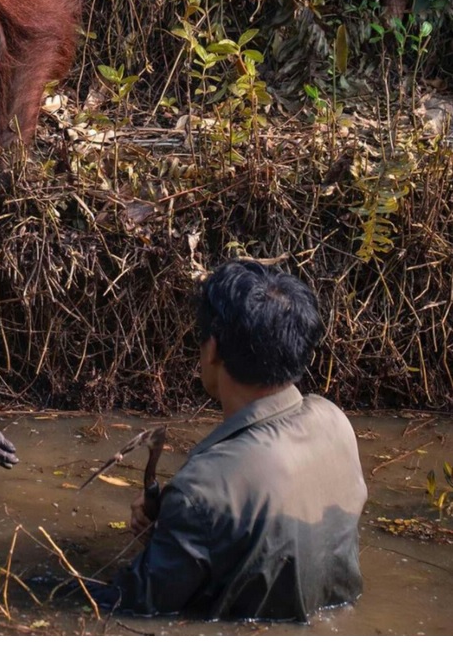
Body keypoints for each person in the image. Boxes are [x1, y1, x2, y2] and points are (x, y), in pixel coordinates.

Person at [92, 260, 367, 622]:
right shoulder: (334, 421)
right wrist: (173, 529)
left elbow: (132, 605)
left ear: (212, 349)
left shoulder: (204, 488)